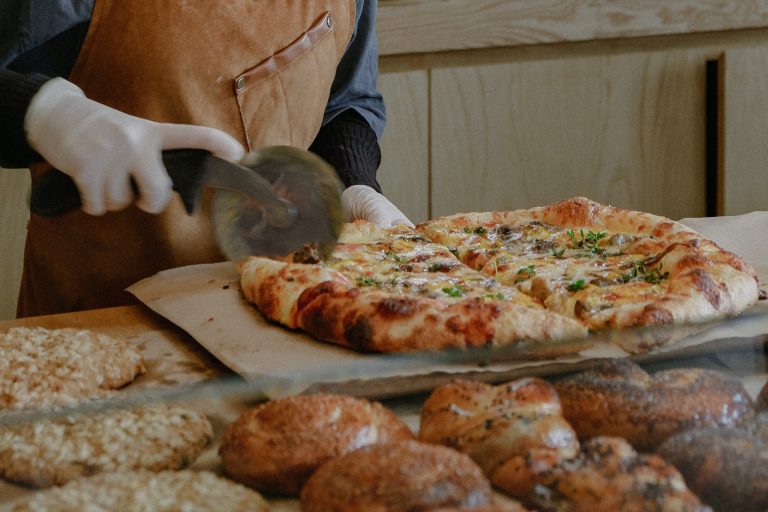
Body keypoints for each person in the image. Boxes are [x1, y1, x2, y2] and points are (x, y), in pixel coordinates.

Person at [0, 0, 413, 317]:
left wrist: (352, 180)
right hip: (103, 324)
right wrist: (44, 113)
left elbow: (346, 100)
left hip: (292, 310)